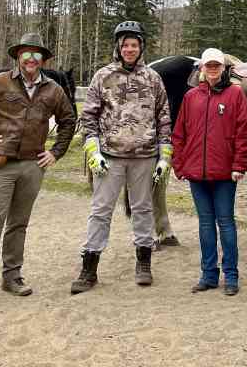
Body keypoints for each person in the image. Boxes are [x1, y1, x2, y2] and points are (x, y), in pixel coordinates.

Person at [0, 33, 76, 308]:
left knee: (18, 224)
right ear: (18, 58)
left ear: (43, 60)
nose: (31, 59)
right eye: (26, 54)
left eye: (36, 55)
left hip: (33, 165)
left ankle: (12, 277)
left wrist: (55, 152)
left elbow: (69, 120)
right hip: (1, 164)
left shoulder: (53, 90)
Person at [70, 21, 172, 294]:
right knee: (100, 211)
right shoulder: (102, 77)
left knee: (143, 210)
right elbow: (88, 117)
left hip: (145, 156)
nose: (130, 49)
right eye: (125, 45)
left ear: (141, 48)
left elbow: (164, 119)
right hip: (110, 158)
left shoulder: (153, 79)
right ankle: (89, 269)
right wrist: (93, 150)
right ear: (118, 47)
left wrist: (165, 156)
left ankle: (144, 264)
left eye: (134, 45)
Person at [171, 48, 247, 296]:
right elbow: (179, 134)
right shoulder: (191, 97)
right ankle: (208, 275)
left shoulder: (235, 95)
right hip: (196, 173)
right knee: (205, 225)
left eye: (217, 65)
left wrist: (240, 165)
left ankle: (231, 276)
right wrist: (179, 164)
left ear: (223, 68)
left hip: (226, 174)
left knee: (226, 223)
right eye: (209, 65)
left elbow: (244, 133)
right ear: (202, 69)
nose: (213, 69)